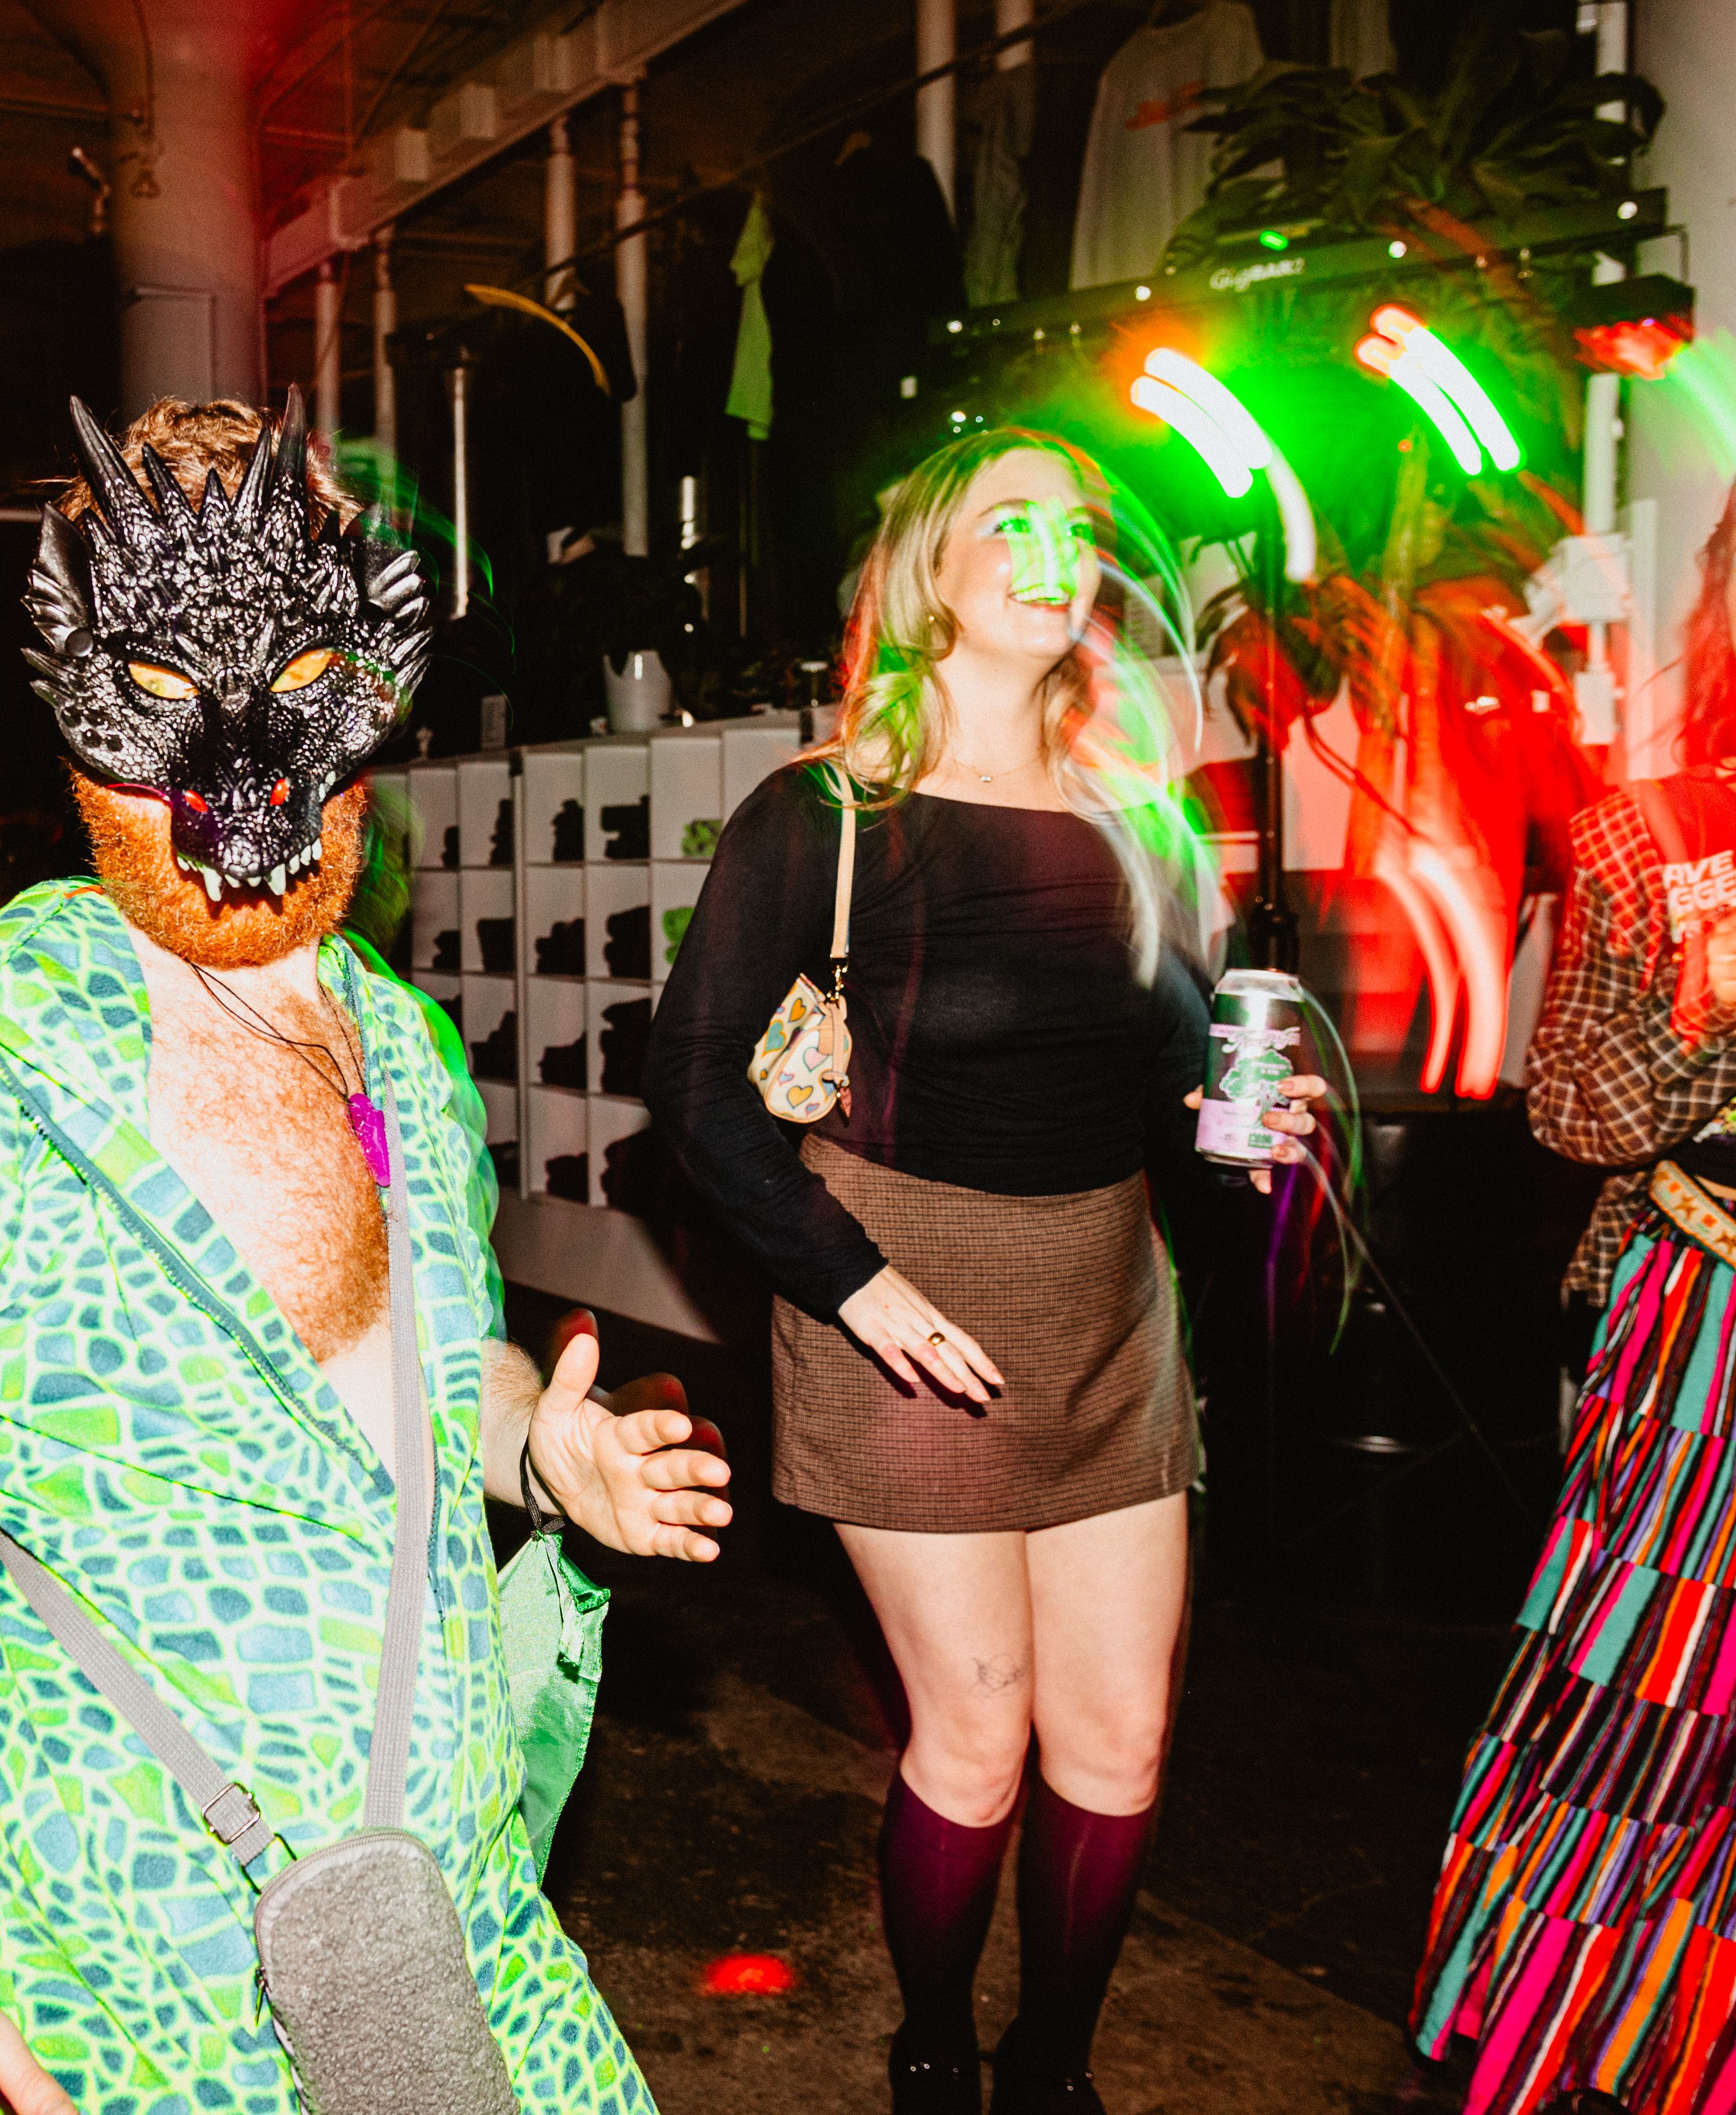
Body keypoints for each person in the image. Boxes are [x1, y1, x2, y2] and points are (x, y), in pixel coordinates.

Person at [0, 392, 731, 2112]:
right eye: (158, 688)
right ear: (77, 706)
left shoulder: (398, 1039)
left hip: (457, 1916)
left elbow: (437, 1371)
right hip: (128, 1984)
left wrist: (541, 1449)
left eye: (300, 679)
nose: (242, 775)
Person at [643, 426, 1321, 2114]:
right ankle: (937, 2053)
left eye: (1074, 528)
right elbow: (695, 1085)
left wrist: (1243, 1122)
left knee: (1121, 1740)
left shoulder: (1125, 822)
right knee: (977, 1730)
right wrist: (854, 1284)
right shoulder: (824, 815)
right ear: (927, 572)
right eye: (1008, 522)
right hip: (903, 1301)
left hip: (1106, 1305)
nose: (1052, 551)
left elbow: (1168, 1069)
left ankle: (1054, 2071)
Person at [1409, 452, 1736, 2115]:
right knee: (1647, 1686)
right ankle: (1579, 2034)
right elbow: (1572, 1108)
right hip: (1709, 1336)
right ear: (1721, 600)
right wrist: (1706, 1006)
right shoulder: (1649, 832)